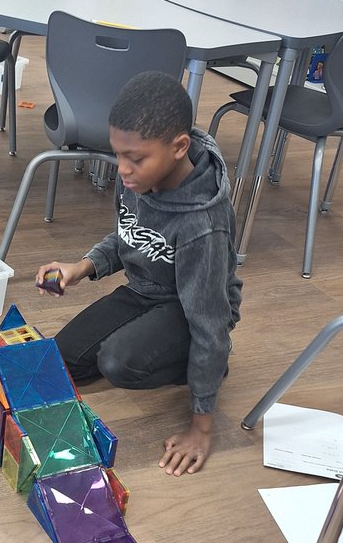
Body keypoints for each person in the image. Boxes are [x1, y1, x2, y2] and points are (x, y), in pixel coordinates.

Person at [35, 71, 241, 478]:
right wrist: (81, 267)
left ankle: (208, 368)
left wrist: (201, 427)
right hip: (146, 290)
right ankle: (161, 348)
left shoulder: (203, 225)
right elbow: (130, 234)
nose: (123, 170)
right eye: (118, 154)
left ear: (179, 148)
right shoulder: (139, 176)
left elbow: (209, 323)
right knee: (62, 359)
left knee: (118, 362)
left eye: (136, 158)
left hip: (191, 307)